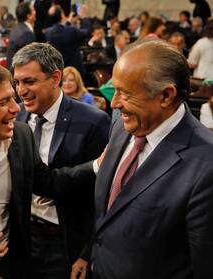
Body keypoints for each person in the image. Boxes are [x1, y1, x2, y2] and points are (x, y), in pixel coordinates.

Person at [0, 61, 98, 279]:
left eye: (13, 98)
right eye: (3, 102)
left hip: (15, 265)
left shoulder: (22, 136)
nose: (17, 108)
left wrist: (96, 166)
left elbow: (48, 183)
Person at [91, 38, 213, 278]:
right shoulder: (123, 125)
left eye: (124, 93)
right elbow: (107, 217)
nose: (114, 103)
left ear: (166, 95)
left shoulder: (206, 164)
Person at [13, 43, 110, 279]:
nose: (21, 90)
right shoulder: (15, 116)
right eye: (17, 82)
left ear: (55, 78)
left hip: (65, 244)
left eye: (29, 82)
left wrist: (87, 253)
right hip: (22, 239)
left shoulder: (93, 122)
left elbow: (103, 197)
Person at [45, 5, 91, 75]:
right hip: (75, 70)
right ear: (62, 15)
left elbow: (62, 30)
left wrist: (68, 22)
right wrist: (84, 17)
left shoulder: (48, 32)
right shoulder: (71, 30)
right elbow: (86, 32)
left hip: (60, 69)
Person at [6, 2, 36, 70]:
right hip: (19, 74)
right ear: (29, 16)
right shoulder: (27, 33)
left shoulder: (16, 28)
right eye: (33, 10)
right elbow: (28, 61)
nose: (35, 11)